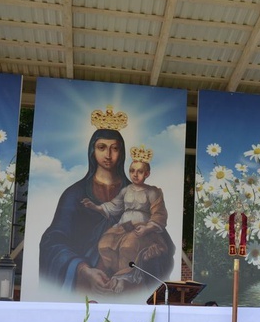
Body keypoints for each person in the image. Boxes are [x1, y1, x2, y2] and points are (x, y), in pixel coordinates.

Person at [39, 108, 174, 296]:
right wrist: (83, 269)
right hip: (86, 288)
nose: (108, 155)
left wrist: (152, 252)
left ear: (122, 152)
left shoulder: (142, 192)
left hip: (129, 290)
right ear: (92, 150)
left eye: (115, 148)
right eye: (102, 147)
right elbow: (52, 242)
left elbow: (162, 239)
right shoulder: (74, 194)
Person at [82, 145, 174, 292]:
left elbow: (159, 214)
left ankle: (123, 278)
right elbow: (114, 206)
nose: (135, 174)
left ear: (147, 174)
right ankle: (113, 275)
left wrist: (147, 228)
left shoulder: (153, 192)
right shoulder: (126, 190)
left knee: (128, 247)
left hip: (142, 230)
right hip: (123, 227)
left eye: (140, 171)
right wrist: (95, 207)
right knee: (104, 244)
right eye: (132, 171)